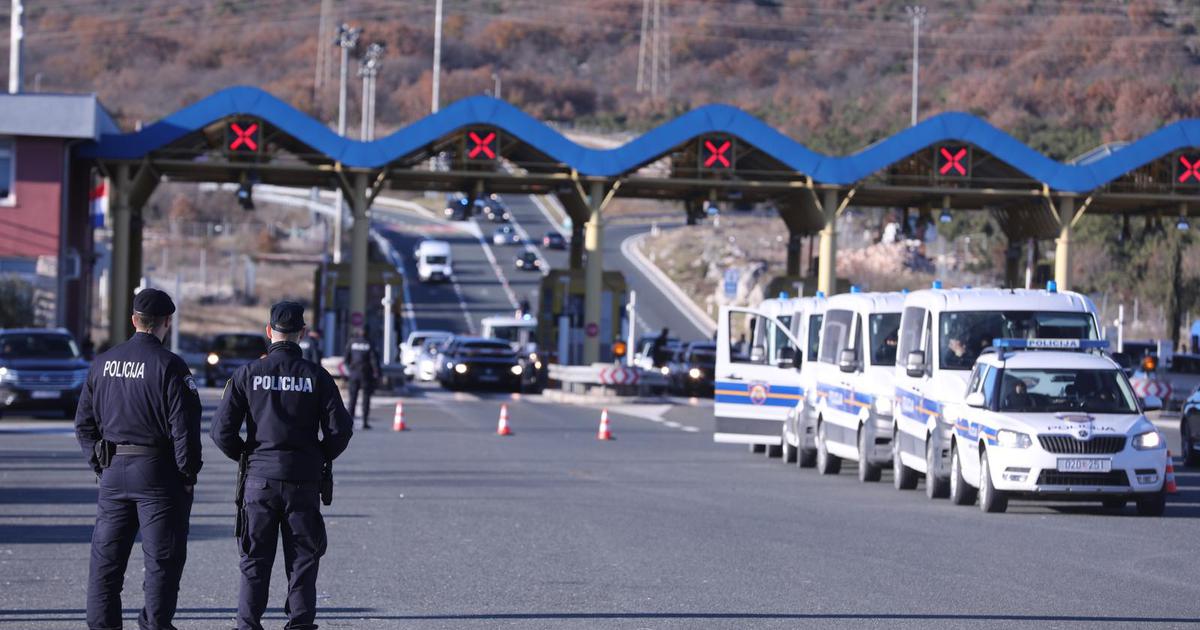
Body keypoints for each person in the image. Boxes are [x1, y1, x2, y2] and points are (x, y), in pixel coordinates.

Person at [210, 301, 353, 630]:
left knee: (254, 560)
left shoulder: (248, 374)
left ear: (269, 332)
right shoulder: (317, 377)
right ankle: (300, 624)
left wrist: (248, 456)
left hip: (259, 478)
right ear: (302, 334)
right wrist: (318, 456)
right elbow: (341, 430)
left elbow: (221, 431)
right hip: (303, 479)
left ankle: (248, 625)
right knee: (303, 558)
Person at [74, 288, 203, 630]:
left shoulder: (102, 363)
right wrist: (187, 474)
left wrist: (99, 462)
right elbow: (184, 428)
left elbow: (83, 423)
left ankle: (103, 625)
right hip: (158, 474)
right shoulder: (169, 366)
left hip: (113, 471)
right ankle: (155, 624)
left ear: (134, 321)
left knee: (106, 562)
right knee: (162, 560)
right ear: (167, 323)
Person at [343, 327, 381, 430]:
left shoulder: (351, 342)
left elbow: (346, 359)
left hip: (354, 374)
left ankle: (350, 422)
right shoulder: (369, 343)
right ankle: (364, 422)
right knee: (366, 399)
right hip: (366, 375)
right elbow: (374, 360)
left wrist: (348, 373)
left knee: (352, 399)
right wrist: (377, 374)